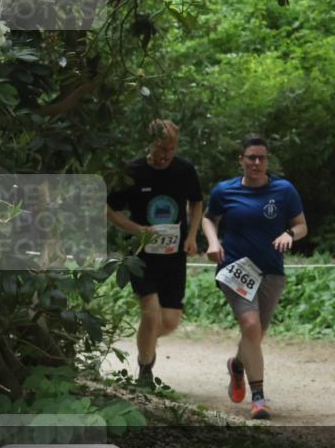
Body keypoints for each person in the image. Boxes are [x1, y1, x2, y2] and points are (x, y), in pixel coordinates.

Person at [202, 134, 307, 420]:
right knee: (250, 325)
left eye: (261, 158)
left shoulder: (284, 190)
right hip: (235, 268)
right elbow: (209, 217)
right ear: (242, 160)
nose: (256, 163)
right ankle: (258, 398)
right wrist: (213, 242)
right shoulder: (225, 191)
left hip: (271, 271)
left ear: (267, 160)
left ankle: (238, 365)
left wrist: (289, 234)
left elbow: (301, 226)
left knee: (256, 333)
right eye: (251, 157)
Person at [106, 119, 203, 386]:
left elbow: (196, 202)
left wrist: (193, 235)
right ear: (150, 143)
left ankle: (145, 341)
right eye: (161, 149)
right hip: (142, 256)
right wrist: (136, 229)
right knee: (151, 312)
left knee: (169, 321)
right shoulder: (133, 172)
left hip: (174, 257)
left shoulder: (184, 170)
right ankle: (145, 370)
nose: (165, 155)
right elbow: (107, 208)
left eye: (170, 149)